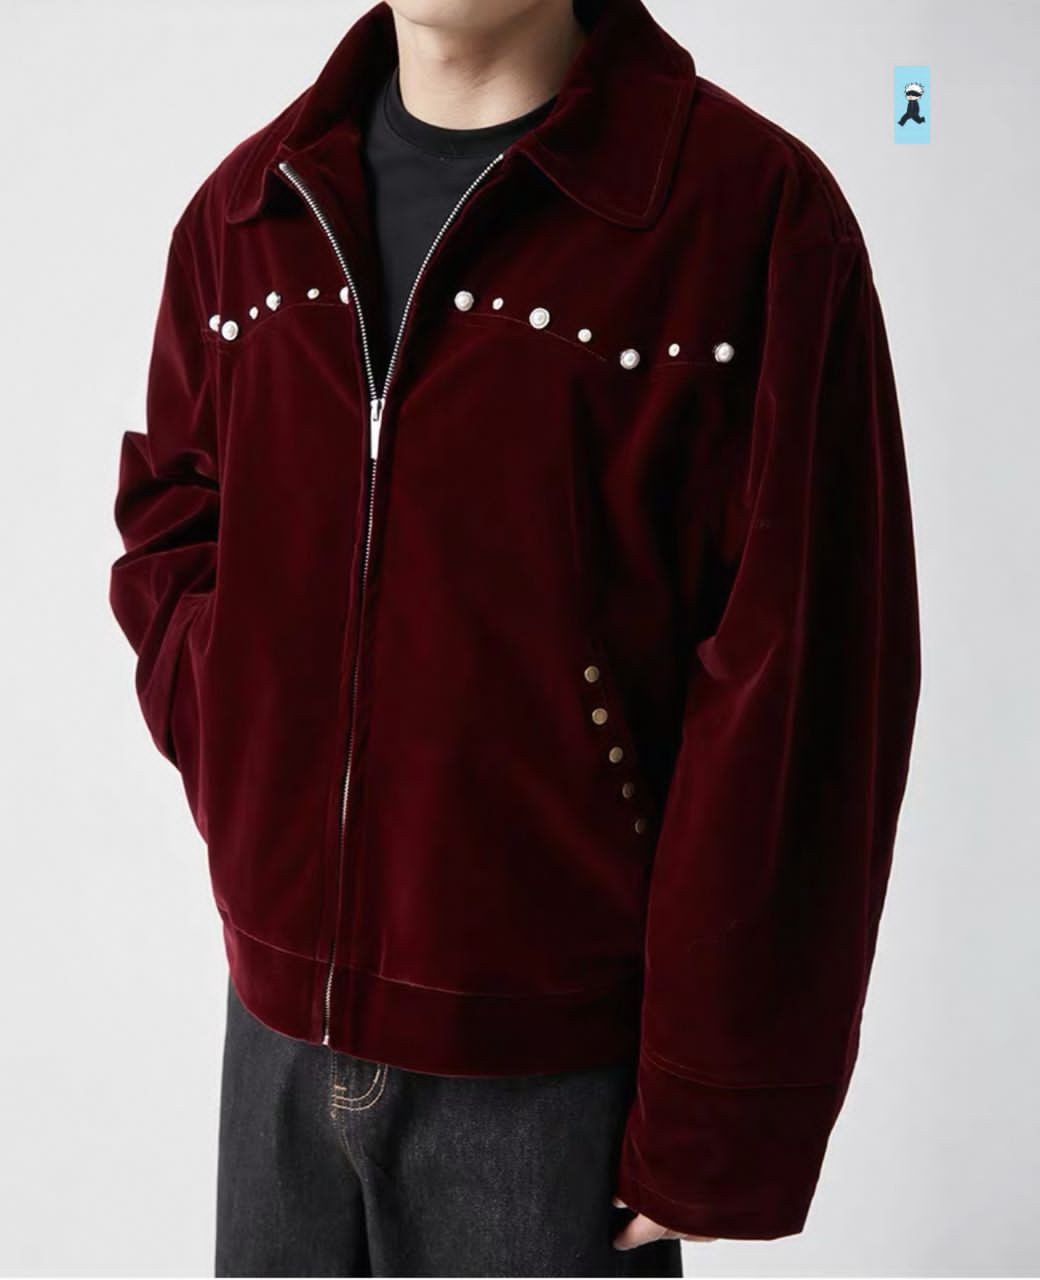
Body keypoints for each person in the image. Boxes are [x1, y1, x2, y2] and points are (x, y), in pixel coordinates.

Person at [107, 0, 921, 1274]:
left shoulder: (748, 216)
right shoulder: (246, 213)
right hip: (273, 1048)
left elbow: (805, 682)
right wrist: (243, 748)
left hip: (552, 1076)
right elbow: (173, 521)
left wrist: (715, 1110)